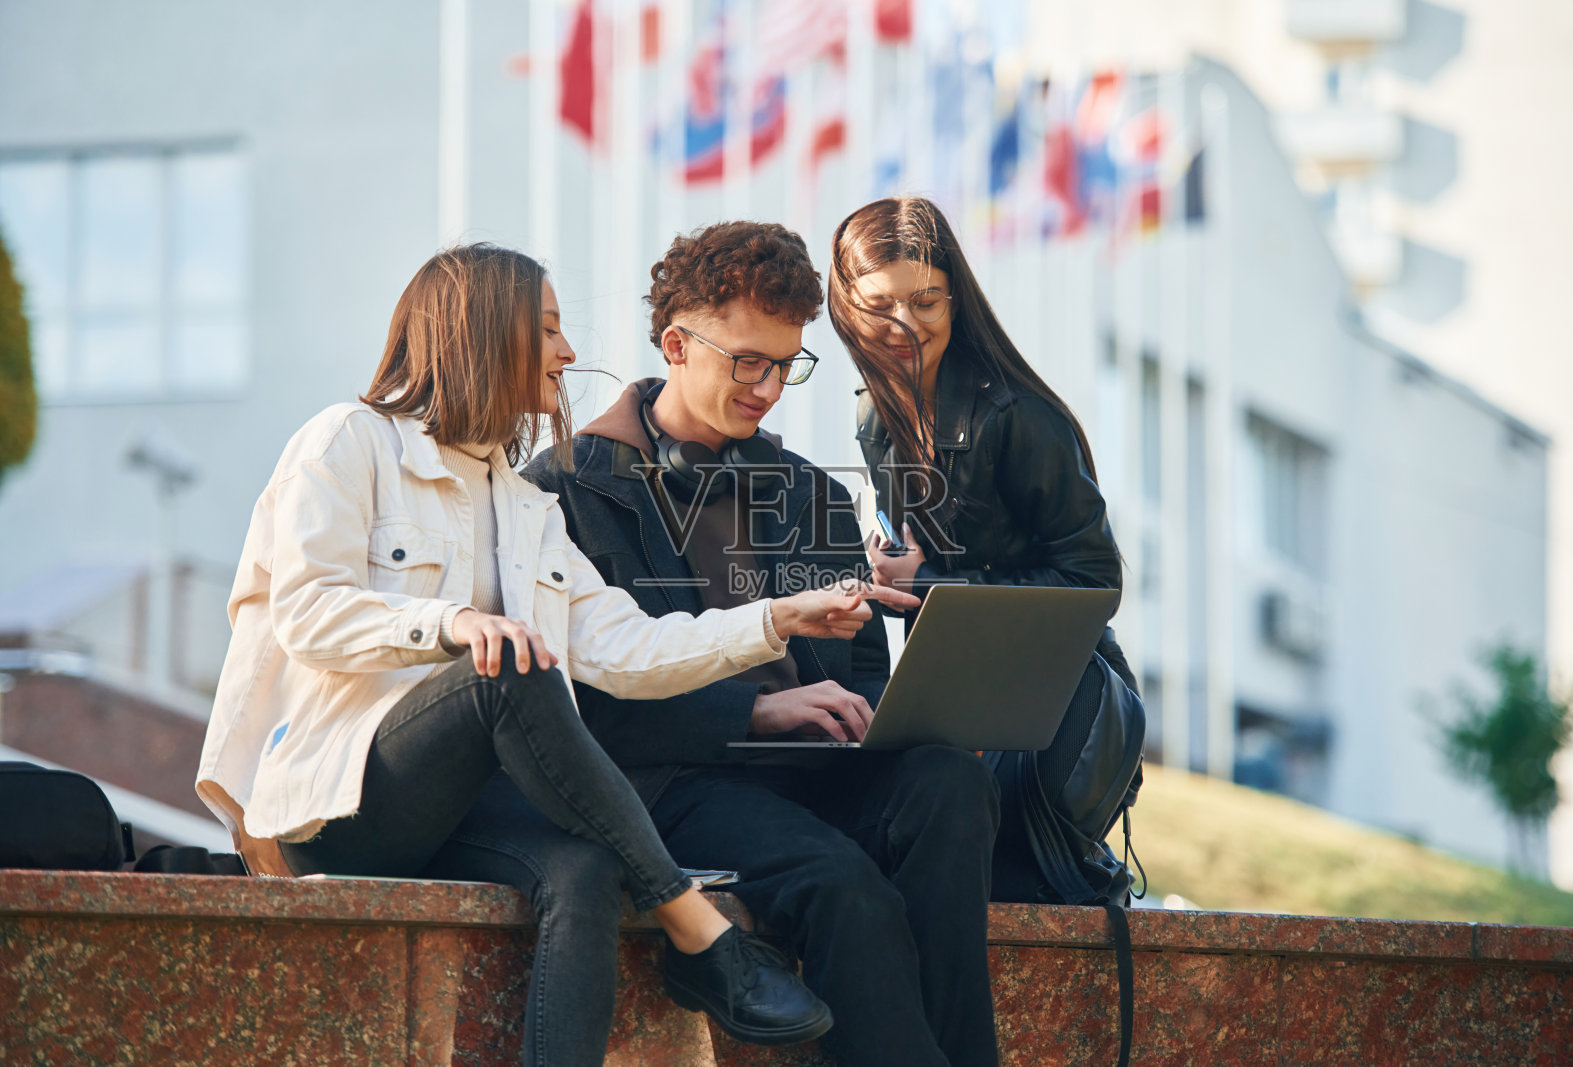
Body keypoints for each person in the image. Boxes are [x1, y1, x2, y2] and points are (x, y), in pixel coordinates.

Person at [194, 243, 918, 1066]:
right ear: (482, 331)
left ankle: (688, 934)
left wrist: (779, 618)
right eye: (547, 329)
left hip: (460, 805)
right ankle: (699, 930)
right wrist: (456, 623)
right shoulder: (349, 441)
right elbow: (304, 611)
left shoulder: (522, 500)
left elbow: (629, 647)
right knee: (514, 667)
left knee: (584, 873)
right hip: (338, 802)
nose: (569, 352)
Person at [526, 221, 1002, 1067]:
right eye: (749, 361)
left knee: (948, 783)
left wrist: (891, 712)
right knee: (845, 886)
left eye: (787, 364)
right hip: (673, 781)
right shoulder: (563, 489)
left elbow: (859, 673)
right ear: (676, 343)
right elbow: (576, 707)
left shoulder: (811, 490)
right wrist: (758, 706)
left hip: (811, 773)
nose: (770, 388)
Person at [828, 196, 1141, 905]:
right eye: (880, 305)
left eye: (927, 301)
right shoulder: (873, 413)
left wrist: (934, 579)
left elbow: (1095, 581)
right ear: (845, 306)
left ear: (957, 299)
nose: (904, 325)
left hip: (1047, 718)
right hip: (955, 708)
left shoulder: (1019, 416)